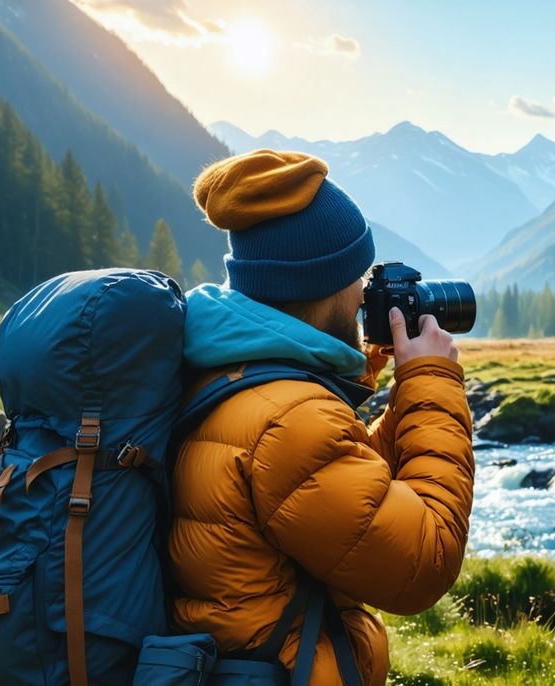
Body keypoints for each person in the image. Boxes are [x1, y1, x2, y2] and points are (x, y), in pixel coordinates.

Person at [168, 149, 475, 684]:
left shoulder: (226, 369)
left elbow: (341, 497)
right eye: (359, 277)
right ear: (323, 282)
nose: (365, 295)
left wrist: (403, 395)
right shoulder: (289, 420)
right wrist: (433, 384)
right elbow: (424, 561)